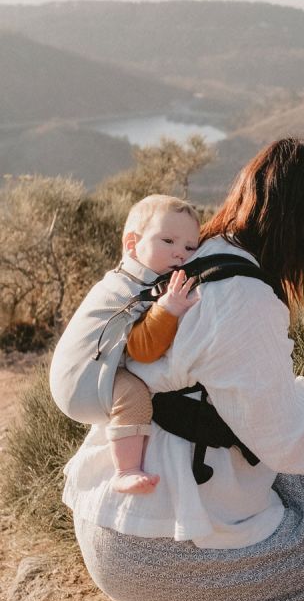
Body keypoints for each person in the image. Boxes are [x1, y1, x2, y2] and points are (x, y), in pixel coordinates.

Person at [62, 138, 304, 601]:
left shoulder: (208, 253)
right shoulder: (247, 299)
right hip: (151, 551)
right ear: (298, 225)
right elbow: (289, 443)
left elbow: (234, 385)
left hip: (112, 514)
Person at [50, 195, 200, 495]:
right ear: (132, 245)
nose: (179, 254)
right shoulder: (133, 289)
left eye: (189, 247)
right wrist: (168, 310)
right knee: (134, 396)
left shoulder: (129, 278)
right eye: (168, 241)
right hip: (82, 383)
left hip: (78, 375)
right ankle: (126, 470)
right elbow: (143, 349)